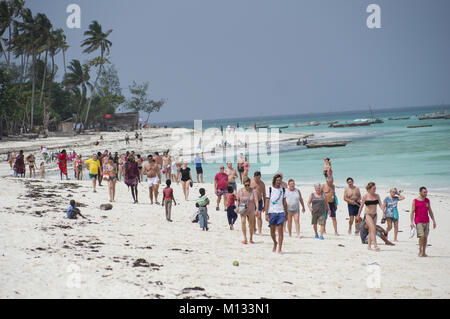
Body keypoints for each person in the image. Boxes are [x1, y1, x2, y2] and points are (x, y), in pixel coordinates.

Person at [357, 182, 385, 251]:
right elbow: (361, 206)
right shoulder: (365, 196)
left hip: (375, 215)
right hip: (367, 215)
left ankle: (369, 246)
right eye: (373, 188)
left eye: (375, 188)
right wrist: (358, 215)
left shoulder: (377, 196)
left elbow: (380, 204)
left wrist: (383, 211)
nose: (375, 189)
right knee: (373, 228)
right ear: (369, 189)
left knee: (370, 231)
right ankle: (375, 245)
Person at [410, 187, 437, 257]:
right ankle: (420, 250)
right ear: (420, 192)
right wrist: (411, 222)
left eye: (426, 192)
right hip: (418, 221)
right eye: (424, 192)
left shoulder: (427, 200)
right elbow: (412, 212)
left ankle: (424, 252)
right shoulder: (415, 201)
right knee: (421, 236)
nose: (426, 193)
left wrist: (433, 220)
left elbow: (430, 211)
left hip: (426, 221)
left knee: (425, 237)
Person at [264, 174, 287, 253]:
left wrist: (286, 213)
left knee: (280, 231)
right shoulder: (270, 189)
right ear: (274, 180)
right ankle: (275, 242)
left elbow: (284, 202)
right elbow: (267, 201)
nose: (278, 182)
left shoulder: (283, 190)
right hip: (272, 212)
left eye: (280, 180)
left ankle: (280, 248)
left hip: (280, 212)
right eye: (277, 180)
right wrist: (266, 214)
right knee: (272, 232)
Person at [236, 177, 258, 244]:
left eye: (248, 185)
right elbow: (238, 200)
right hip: (243, 208)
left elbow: (256, 200)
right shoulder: (240, 191)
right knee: (243, 222)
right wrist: (237, 206)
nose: (247, 186)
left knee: (251, 224)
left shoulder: (253, 191)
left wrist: (257, 209)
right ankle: (245, 238)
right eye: (246, 185)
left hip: (251, 209)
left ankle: (251, 238)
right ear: (243, 184)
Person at [250, 171, 266, 235]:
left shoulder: (262, 183)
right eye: (257, 178)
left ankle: (260, 231)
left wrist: (265, 205)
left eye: (259, 178)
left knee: (259, 216)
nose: (258, 179)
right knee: (253, 216)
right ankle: (254, 229)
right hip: (252, 202)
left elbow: (264, 194)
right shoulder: (251, 182)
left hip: (259, 201)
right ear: (254, 177)